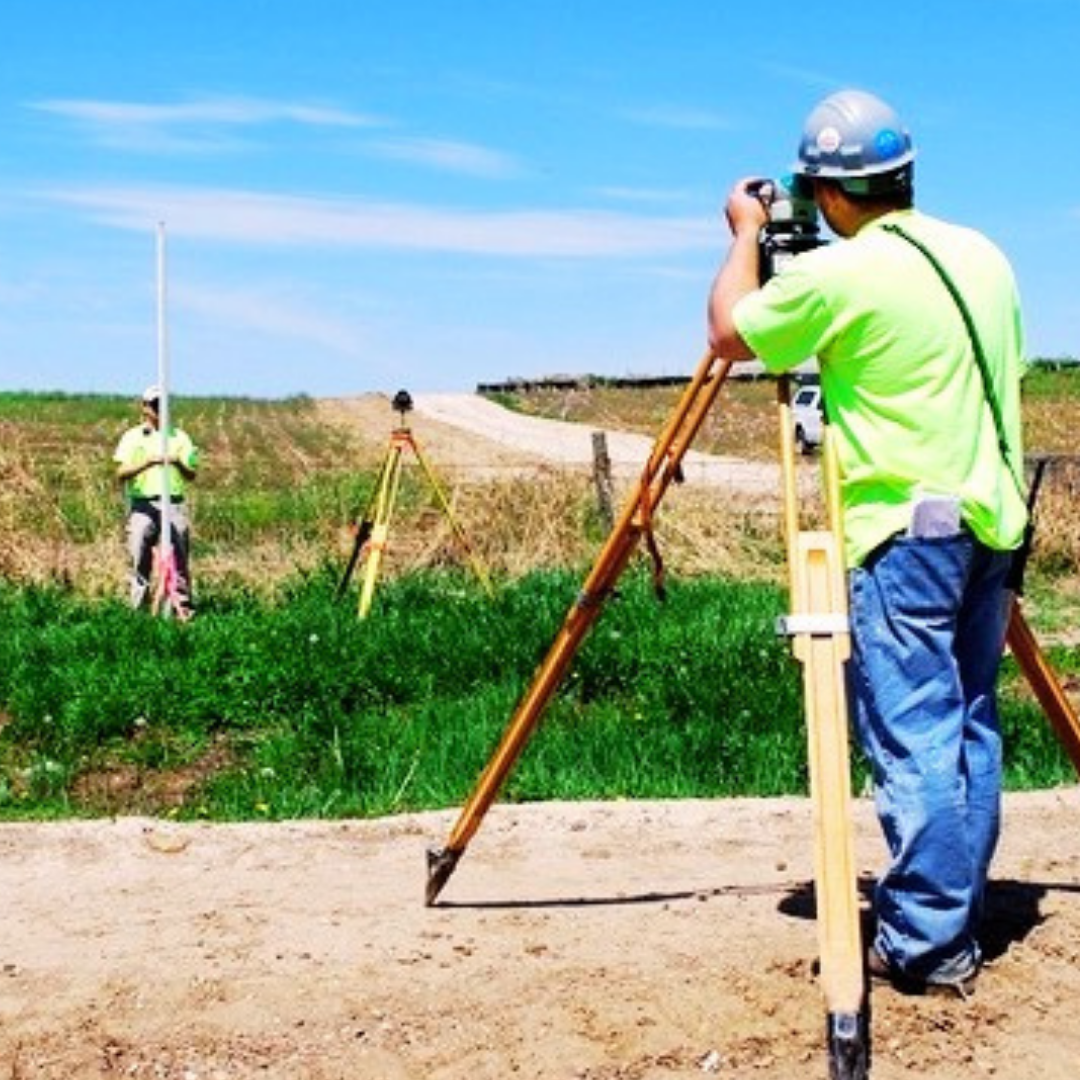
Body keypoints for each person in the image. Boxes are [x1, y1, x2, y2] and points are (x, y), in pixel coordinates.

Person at [707, 89, 1028, 996]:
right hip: (991, 520)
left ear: (831, 194)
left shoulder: (840, 276)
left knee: (914, 732)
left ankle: (926, 943)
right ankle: (956, 903)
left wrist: (744, 233)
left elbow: (730, 330)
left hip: (904, 533)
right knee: (968, 723)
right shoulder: (983, 256)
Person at [113, 385, 200, 616]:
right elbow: (120, 473)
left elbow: (192, 474)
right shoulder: (131, 437)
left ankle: (182, 612)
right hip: (143, 505)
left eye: (164, 404)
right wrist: (148, 462)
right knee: (138, 557)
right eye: (155, 404)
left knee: (179, 558)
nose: (160, 409)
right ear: (145, 407)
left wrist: (178, 463)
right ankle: (137, 613)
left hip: (174, 504)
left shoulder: (180, 437)